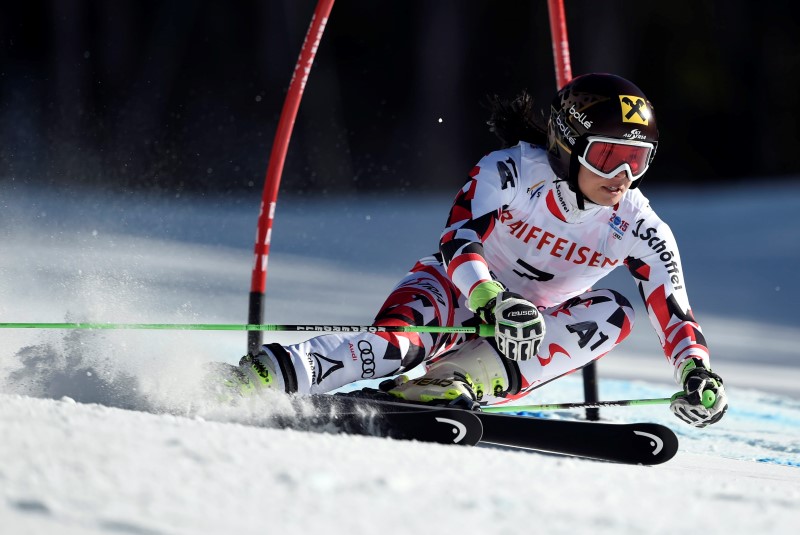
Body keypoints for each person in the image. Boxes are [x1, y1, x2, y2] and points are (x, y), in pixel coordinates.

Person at [221, 73, 728, 428]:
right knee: (399, 348)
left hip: (523, 331)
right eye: (608, 157)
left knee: (614, 314)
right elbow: (457, 241)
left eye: (638, 161)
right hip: (454, 293)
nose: (622, 178)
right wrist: (489, 298)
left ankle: (453, 382)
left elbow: (674, 309)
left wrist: (696, 371)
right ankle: (264, 375)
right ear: (568, 145)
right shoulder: (511, 171)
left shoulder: (639, 224)